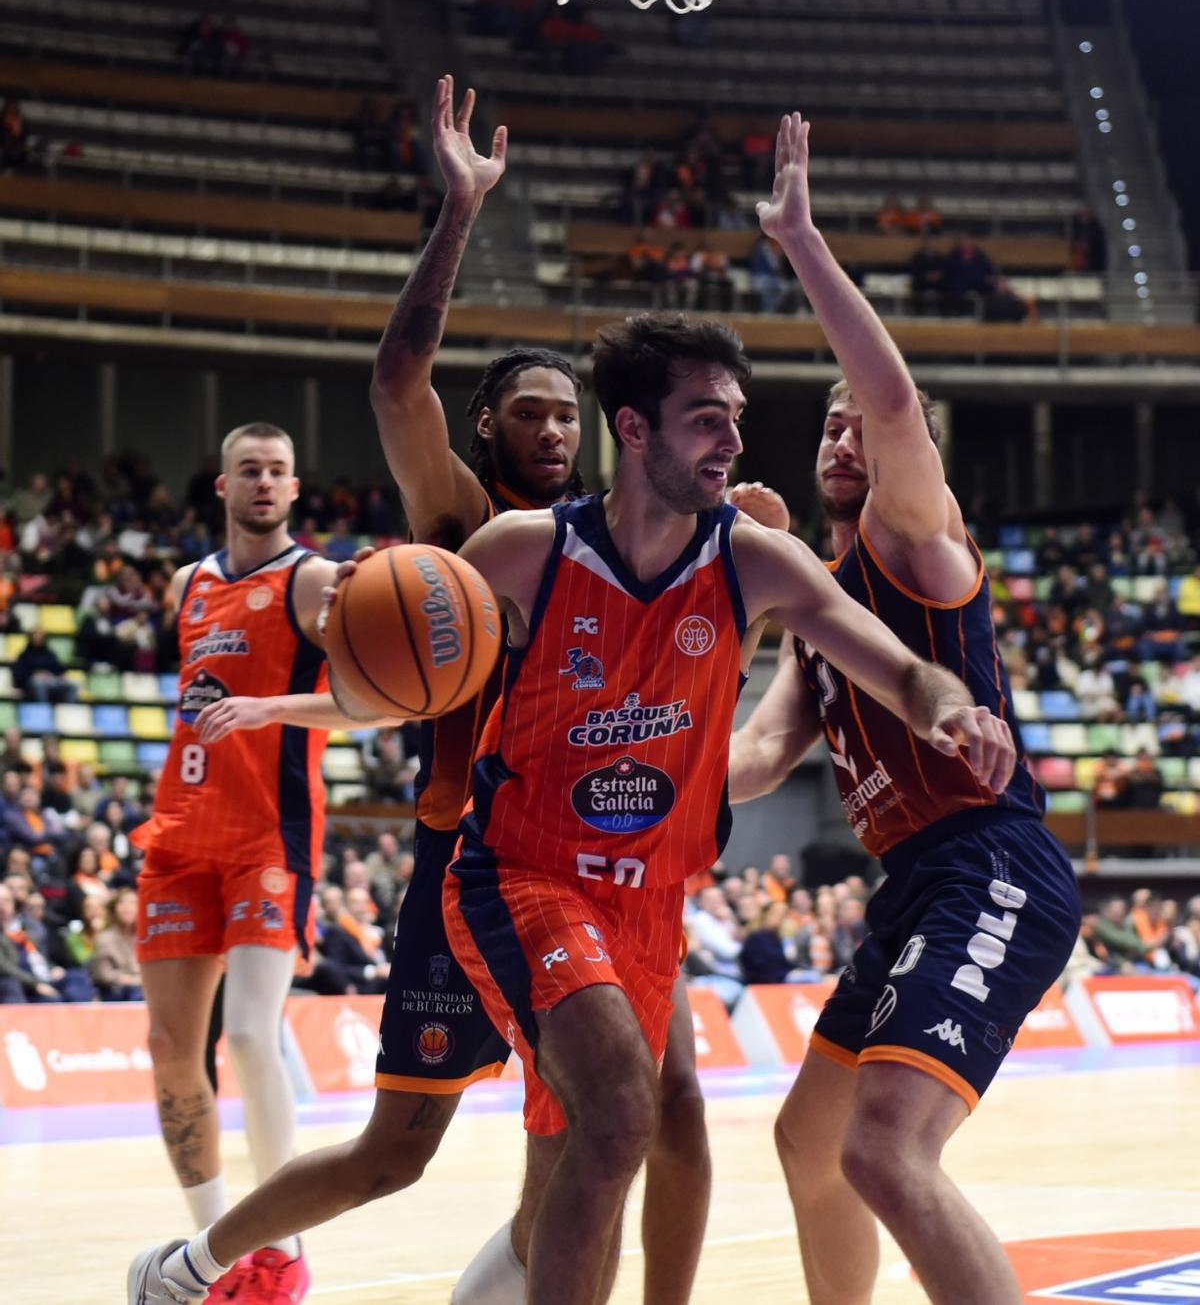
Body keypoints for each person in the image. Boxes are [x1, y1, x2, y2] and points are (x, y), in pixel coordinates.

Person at [127, 79, 707, 1305]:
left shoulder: (632, 542)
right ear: (489, 426)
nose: (553, 431)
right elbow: (398, 381)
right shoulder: (467, 528)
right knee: (402, 1148)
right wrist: (459, 210)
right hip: (470, 868)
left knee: (589, 1151)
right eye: (528, 412)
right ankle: (190, 1266)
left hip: (594, 872)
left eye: (569, 415)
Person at [438, 310, 1012, 1305]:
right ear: (635, 428)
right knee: (623, 1114)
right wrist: (340, 642)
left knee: (592, 1152)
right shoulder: (525, 549)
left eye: (737, 417)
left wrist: (954, 705)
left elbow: (903, 670)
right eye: (707, 418)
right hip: (522, 872)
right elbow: (382, 671)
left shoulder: (756, 560)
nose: (735, 439)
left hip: (653, 898)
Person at [728, 112, 1081, 1305]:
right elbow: (763, 754)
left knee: (883, 1146)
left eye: (858, 425)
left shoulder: (911, 538)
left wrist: (806, 247)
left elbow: (887, 398)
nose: (843, 433)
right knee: (808, 1141)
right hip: (918, 882)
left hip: (994, 863)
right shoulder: (822, 612)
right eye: (822, 423)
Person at [127, 421, 395, 1305]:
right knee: (172, 1050)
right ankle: (218, 1250)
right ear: (223, 485)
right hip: (178, 835)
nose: (266, 483)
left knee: (247, 1031)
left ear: (294, 485)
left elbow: (373, 704)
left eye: (279, 471)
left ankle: (281, 1250)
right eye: (250, 470)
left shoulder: (315, 580)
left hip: (268, 838)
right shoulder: (186, 585)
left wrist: (266, 710)